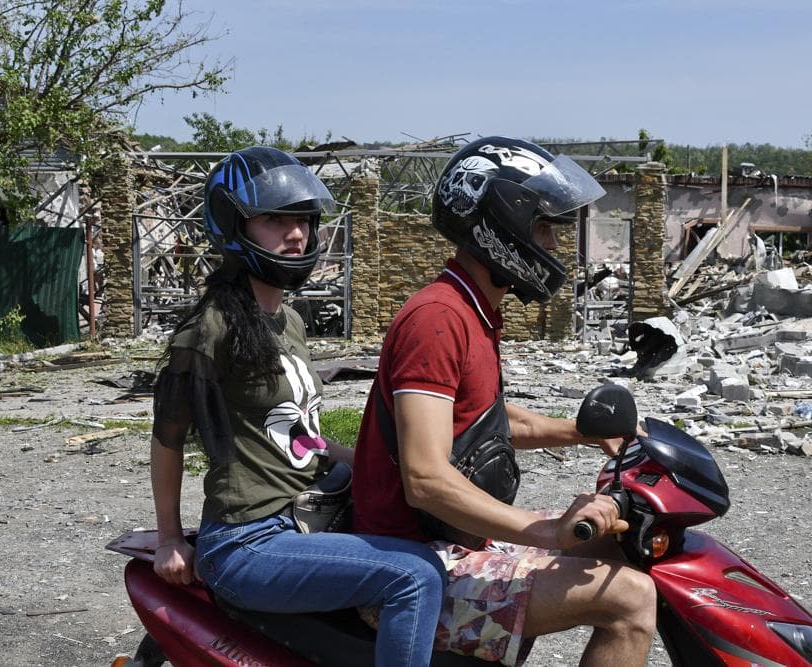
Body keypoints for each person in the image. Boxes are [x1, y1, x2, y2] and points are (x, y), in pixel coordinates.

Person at [352, 137, 657, 666]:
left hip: (450, 544)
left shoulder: (473, 312)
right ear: (499, 224)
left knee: (615, 547)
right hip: (414, 563)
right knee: (631, 599)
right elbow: (424, 478)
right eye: (543, 228)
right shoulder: (438, 320)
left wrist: (583, 432)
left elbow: (481, 422)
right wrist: (544, 531)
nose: (553, 247)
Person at [149, 146, 447, 667]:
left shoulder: (289, 321)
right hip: (247, 542)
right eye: (274, 219)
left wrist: (368, 463)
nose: (296, 234)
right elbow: (167, 438)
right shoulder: (208, 329)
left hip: (306, 517)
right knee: (414, 576)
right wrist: (170, 539)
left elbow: (296, 430)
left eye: (303, 220)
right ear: (233, 225)